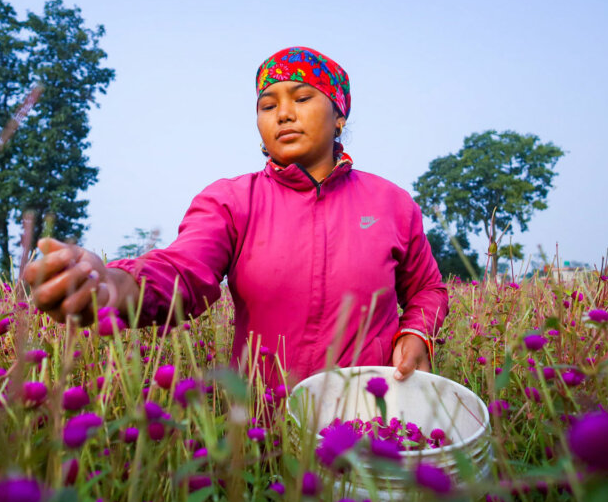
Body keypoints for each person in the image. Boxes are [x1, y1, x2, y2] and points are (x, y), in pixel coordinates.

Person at [23, 46, 449, 389]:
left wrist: (416, 333)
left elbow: (428, 288)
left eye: (302, 98)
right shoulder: (231, 202)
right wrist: (112, 286)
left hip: (369, 416)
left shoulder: (391, 204)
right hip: (265, 423)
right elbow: (183, 271)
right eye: (268, 105)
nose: (283, 113)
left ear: (339, 116)